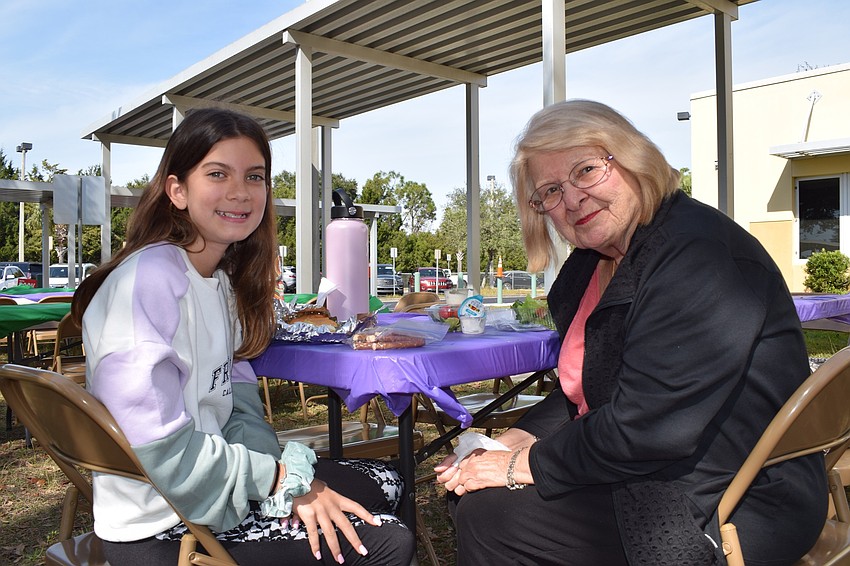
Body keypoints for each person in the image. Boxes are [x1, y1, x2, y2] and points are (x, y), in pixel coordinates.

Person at [435, 100, 828, 566]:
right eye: (552, 191)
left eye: (586, 170)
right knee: (477, 495)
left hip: (738, 492)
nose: (573, 199)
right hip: (665, 464)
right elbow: (585, 386)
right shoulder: (588, 266)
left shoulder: (695, 255)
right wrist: (517, 440)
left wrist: (524, 467)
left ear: (633, 159)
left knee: (494, 515)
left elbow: (651, 425)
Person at [71, 108, 414, 565]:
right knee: (387, 541)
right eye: (217, 174)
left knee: (389, 482)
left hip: (217, 490)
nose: (240, 192)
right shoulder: (148, 282)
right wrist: (279, 481)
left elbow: (240, 409)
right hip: (163, 527)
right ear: (177, 190)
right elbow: (158, 452)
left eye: (255, 177)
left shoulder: (220, 283)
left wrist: (284, 484)